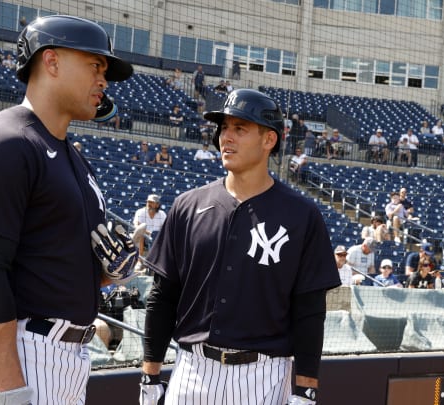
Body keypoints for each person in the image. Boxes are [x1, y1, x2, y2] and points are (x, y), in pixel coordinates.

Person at [0, 15, 137, 405]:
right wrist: (11, 391)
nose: (104, 81)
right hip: (12, 353)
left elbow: (53, 266)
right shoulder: (5, 142)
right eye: (95, 66)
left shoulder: (75, 160)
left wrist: (111, 272)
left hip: (66, 356)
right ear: (51, 62)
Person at [140, 88, 340, 405]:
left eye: (240, 128)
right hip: (192, 370)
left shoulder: (302, 216)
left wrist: (305, 391)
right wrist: (150, 377)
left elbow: (310, 313)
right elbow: (162, 298)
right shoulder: (187, 206)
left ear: (268, 140)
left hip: (262, 378)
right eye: (224, 128)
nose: (226, 137)